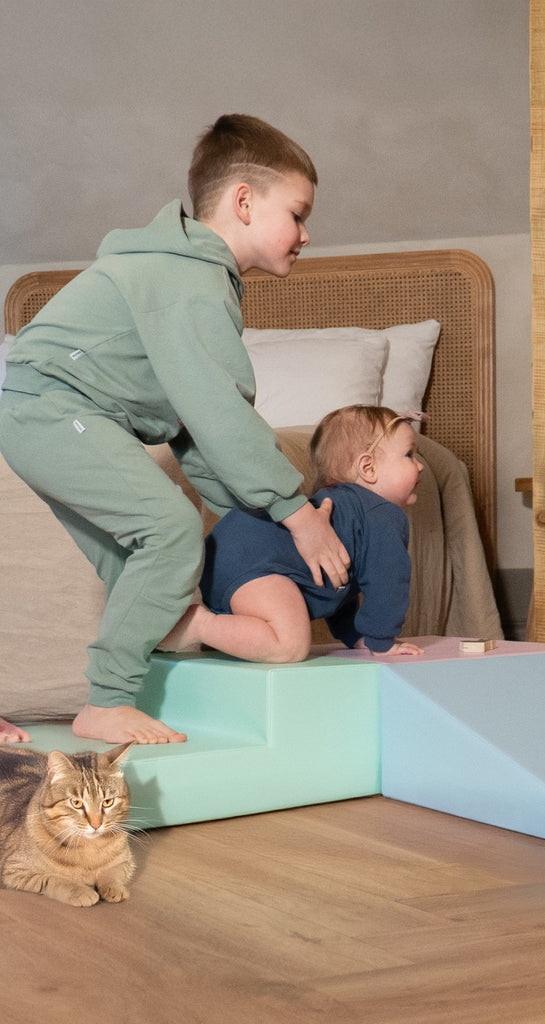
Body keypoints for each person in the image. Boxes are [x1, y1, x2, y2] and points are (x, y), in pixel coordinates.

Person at [0, 114, 350, 746]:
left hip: (44, 412)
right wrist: (296, 512)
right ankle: (105, 701)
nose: (306, 234)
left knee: (138, 555)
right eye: (297, 214)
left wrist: (251, 514)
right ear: (244, 201)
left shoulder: (185, 270)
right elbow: (221, 413)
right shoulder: (191, 282)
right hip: (53, 405)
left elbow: (190, 428)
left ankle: (166, 640)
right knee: (168, 527)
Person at [164, 406, 425, 661]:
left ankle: (215, 631)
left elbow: (339, 584)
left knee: (264, 638)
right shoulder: (383, 515)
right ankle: (198, 625)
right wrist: (382, 641)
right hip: (258, 563)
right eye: (409, 455)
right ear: (368, 468)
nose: (420, 465)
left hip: (227, 555)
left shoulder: (344, 512)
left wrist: (357, 636)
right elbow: (389, 583)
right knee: (289, 645)